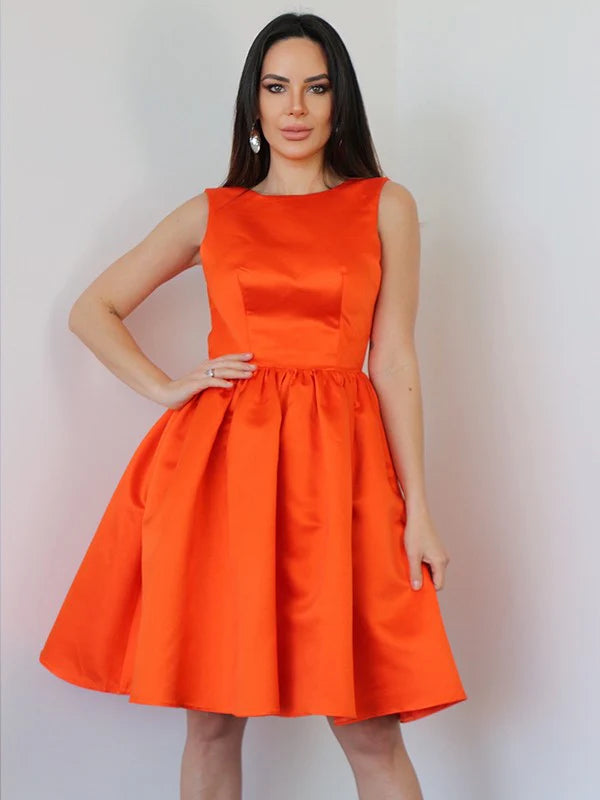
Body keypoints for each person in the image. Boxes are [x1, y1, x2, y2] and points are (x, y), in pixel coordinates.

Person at [39, 11, 467, 800]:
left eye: (316, 88)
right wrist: (167, 386)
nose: (295, 107)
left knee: (369, 724)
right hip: (223, 473)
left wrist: (419, 510)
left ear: (340, 102)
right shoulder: (214, 211)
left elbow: (394, 358)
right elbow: (93, 309)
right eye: (276, 88)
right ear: (253, 103)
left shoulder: (385, 205)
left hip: (343, 473)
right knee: (211, 719)